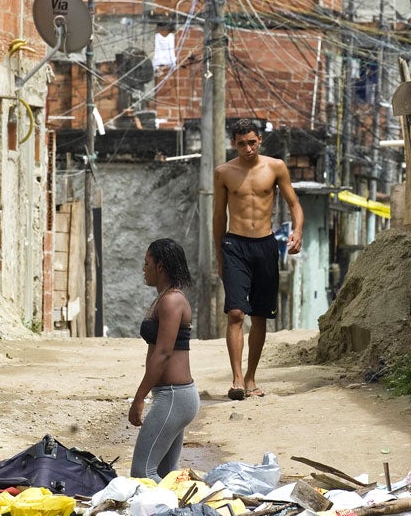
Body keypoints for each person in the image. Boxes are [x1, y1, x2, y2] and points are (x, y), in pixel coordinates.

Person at [213, 119, 304, 400]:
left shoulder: (275, 167)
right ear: (234, 143)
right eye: (241, 143)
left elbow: (294, 204)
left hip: (265, 245)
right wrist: (219, 255)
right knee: (236, 313)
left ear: (259, 140)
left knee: (260, 316)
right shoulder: (224, 172)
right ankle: (237, 379)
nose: (247, 148)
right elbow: (218, 216)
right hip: (234, 244)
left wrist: (297, 231)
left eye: (251, 142)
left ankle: (251, 378)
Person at [129, 238, 199, 482]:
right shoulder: (163, 298)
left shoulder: (172, 301)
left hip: (174, 396)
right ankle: (182, 515)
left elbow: (163, 354)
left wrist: (139, 398)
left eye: (147, 263)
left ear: (160, 266)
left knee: (142, 473)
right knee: (166, 475)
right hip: (171, 395)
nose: (143, 268)